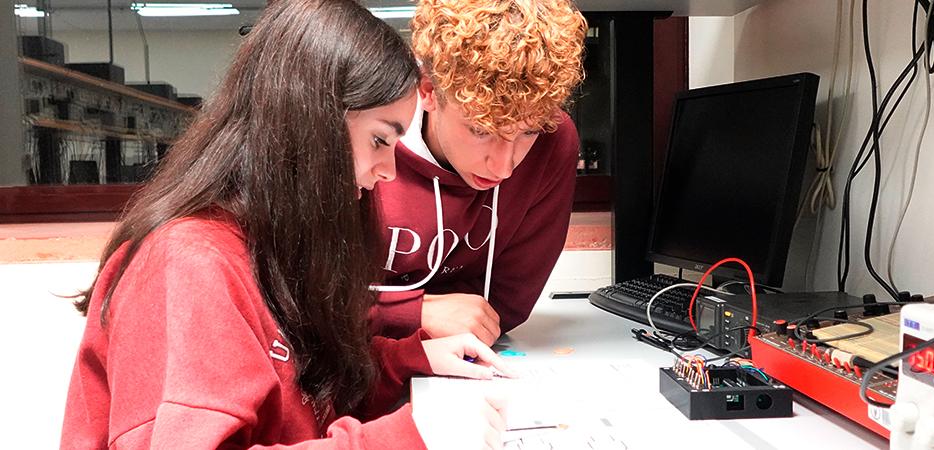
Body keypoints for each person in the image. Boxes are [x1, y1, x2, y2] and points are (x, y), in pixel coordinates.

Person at [60, 1, 509, 449]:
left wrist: (406, 360)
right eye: (379, 139)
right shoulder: (187, 263)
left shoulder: (270, 241)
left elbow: (300, 393)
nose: (388, 171)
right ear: (309, 122)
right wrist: (409, 437)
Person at [370, 0, 588, 345]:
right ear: (428, 91)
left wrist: (376, 310)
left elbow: (503, 309)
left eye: (527, 131)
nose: (504, 167)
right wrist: (415, 311)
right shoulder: (368, 140)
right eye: (481, 130)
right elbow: (300, 302)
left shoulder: (555, 142)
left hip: (467, 366)